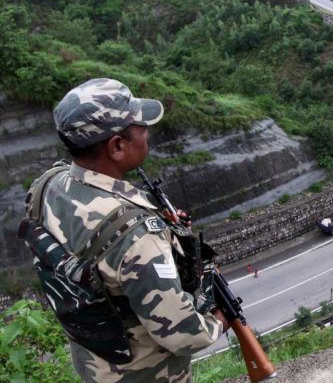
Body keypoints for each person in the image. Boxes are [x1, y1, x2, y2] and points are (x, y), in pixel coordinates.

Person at [30, 78, 228, 382]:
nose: (147, 135)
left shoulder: (47, 186)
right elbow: (184, 335)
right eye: (142, 129)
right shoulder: (137, 236)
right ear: (117, 145)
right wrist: (218, 320)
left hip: (94, 366)